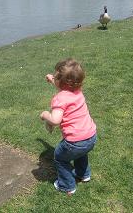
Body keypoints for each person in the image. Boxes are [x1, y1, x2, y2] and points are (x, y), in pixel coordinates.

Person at [40, 58, 97, 195]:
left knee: (60, 158)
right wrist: (52, 79)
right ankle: (84, 175)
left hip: (74, 141)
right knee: (81, 154)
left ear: (61, 81)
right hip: (91, 136)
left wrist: (45, 114)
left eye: (55, 76)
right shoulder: (77, 90)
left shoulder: (60, 99)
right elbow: (64, 85)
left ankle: (67, 186)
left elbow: (55, 120)